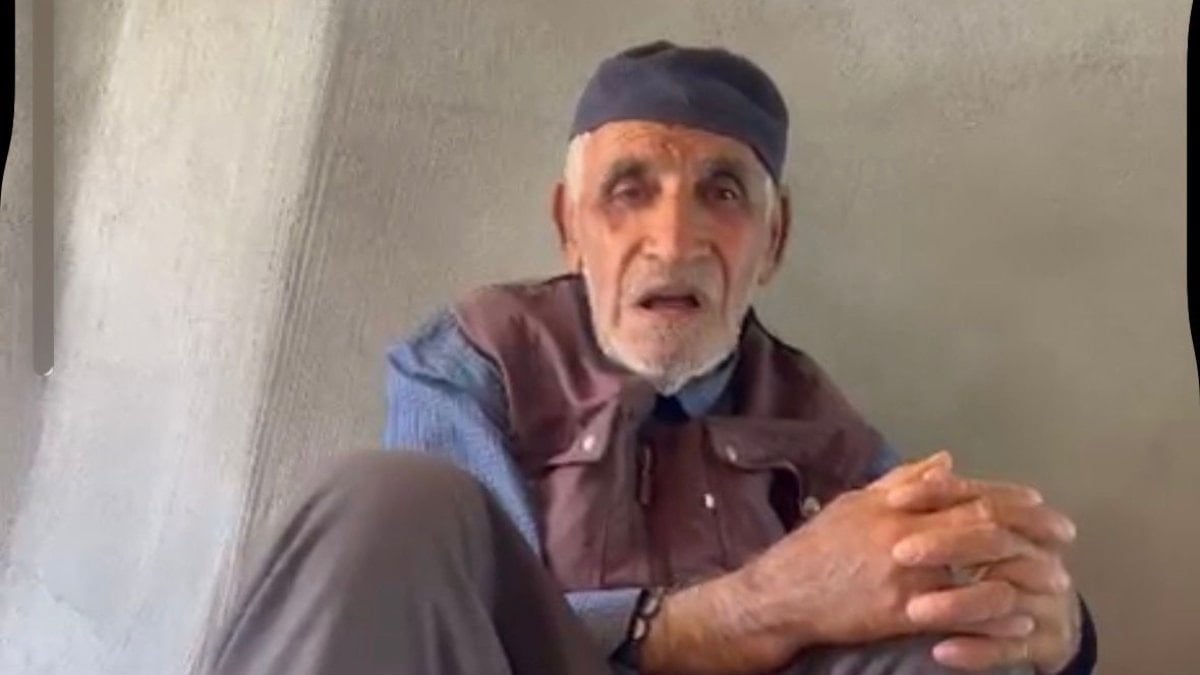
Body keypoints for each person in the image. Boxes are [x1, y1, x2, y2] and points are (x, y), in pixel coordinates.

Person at [206, 41, 1097, 674]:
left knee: (941, 639)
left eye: (723, 193)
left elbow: (937, 573)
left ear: (774, 239)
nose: (673, 241)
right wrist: (754, 606)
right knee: (385, 499)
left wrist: (1050, 628)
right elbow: (469, 624)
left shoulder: (820, 421)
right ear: (570, 225)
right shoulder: (475, 358)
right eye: (629, 191)